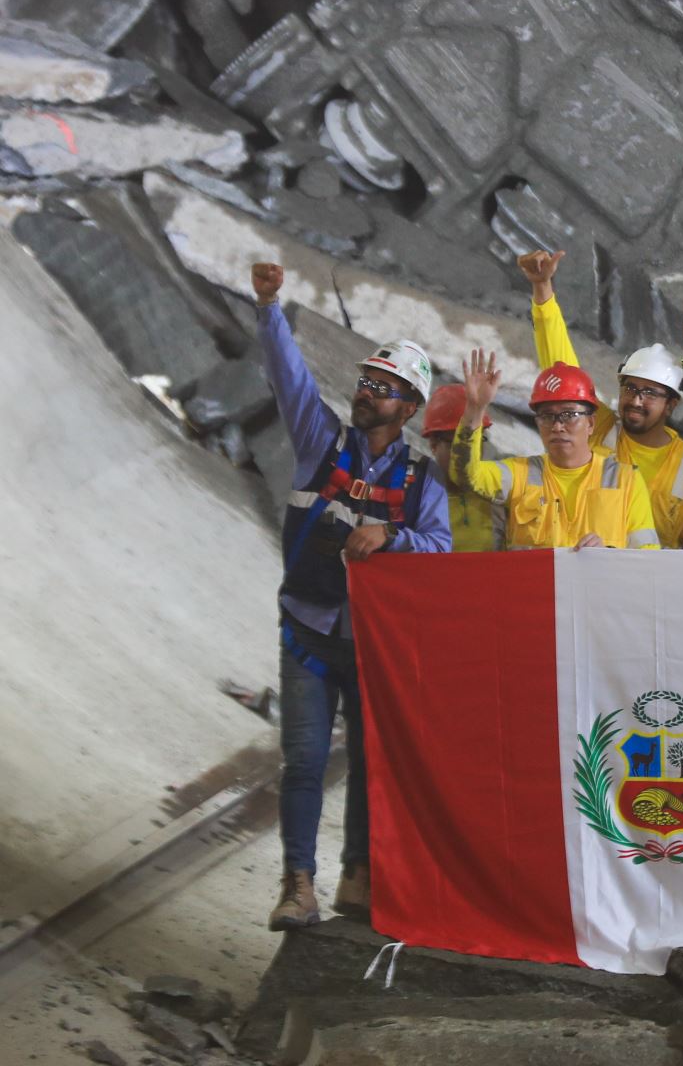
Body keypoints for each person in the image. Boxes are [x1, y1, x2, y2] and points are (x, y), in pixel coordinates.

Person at [252, 261, 451, 932]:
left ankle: (357, 878)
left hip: (372, 648)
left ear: (411, 409)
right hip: (307, 634)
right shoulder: (320, 443)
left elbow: (441, 552)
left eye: (388, 388)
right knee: (305, 761)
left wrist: (393, 535)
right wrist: (269, 306)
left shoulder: (423, 485)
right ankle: (298, 886)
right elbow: (287, 377)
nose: (370, 393)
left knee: (371, 766)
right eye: (369, 380)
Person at [517, 251, 683, 548]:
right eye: (630, 389)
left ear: (672, 404)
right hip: (582, 573)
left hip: (646, 586)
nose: (636, 401)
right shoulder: (596, 427)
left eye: (650, 393)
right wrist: (542, 289)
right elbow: (562, 368)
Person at [452, 351, 660, 550]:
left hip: (600, 586)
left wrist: (608, 554)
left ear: (590, 423)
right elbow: (467, 476)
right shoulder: (519, 474)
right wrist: (476, 410)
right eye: (547, 416)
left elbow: (648, 555)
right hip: (535, 586)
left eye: (569, 415)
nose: (557, 426)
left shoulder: (626, 480)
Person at [421, 383, 505, 552]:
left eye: (476, 441)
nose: (469, 452)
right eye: (458, 443)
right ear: (433, 443)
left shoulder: (499, 490)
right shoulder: (418, 497)